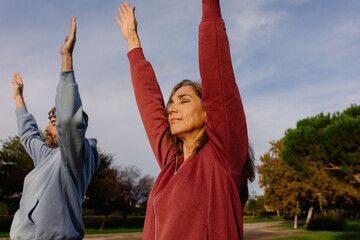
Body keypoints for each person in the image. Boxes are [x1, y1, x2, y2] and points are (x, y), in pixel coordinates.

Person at [116, 0, 255, 239]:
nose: (172, 108)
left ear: (208, 110)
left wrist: (210, 6)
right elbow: (150, 105)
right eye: (171, 102)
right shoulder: (172, 162)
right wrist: (132, 41)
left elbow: (218, 74)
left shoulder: (223, 158)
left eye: (184, 100)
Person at [10, 16, 100, 240]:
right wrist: (18, 98)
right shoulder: (47, 157)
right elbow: (29, 135)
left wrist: (66, 58)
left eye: (53, 124)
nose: (47, 129)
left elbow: (69, 122)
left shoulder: (76, 159)